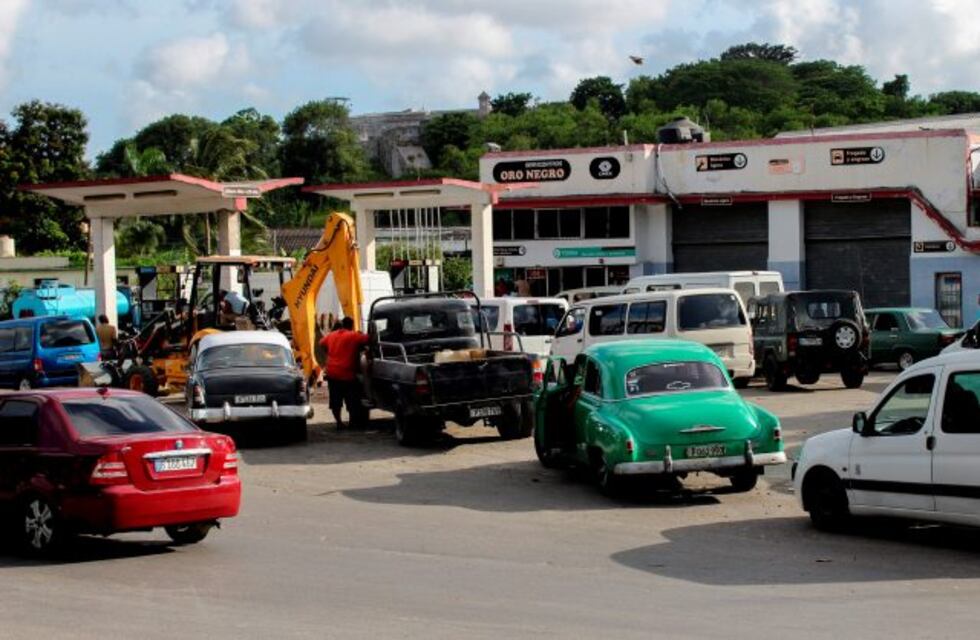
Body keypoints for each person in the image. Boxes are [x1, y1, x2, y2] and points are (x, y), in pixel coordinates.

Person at [319, 316, 370, 429]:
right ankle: (352, 422)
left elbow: (321, 343)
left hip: (332, 372)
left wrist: (329, 352)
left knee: (335, 401)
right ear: (351, 325)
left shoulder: (332, 335)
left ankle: (339, 423)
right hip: (347, 374)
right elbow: (368, 339)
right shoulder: (353, 335)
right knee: (352, 399)